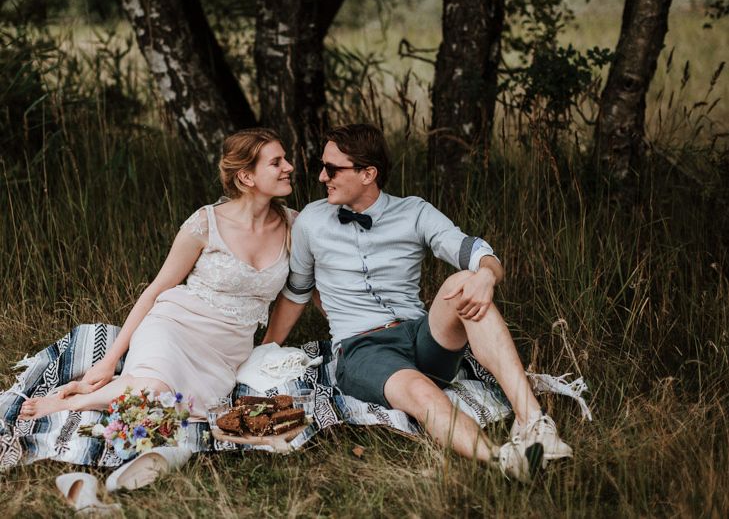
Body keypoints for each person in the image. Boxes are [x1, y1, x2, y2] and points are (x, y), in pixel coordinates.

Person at [263, 123, 572, 481]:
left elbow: (471, 250)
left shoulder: (414, 212)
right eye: (323, 166)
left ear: (368, 173)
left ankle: (534, 423)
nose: (321, 177)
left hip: (420, 334)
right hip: (363, 349)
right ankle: (504, 460)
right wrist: (267, 347)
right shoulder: (311, 222)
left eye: (332, 169)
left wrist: (487, 275)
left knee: (466, 281)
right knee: (419, 391)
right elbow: (297, 291)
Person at [20, 128, 295, 421]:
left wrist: (267, 347)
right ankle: (71, 404)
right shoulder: (205, 224)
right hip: (174, 325)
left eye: (285, 160)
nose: (288, 167)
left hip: (225, 350)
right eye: (276, 162)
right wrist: (108, 361)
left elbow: (303, 292)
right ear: (246, 177)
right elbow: (155, 289)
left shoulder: (295, 227)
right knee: (155, 391)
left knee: (180, 405)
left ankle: (105, 390)